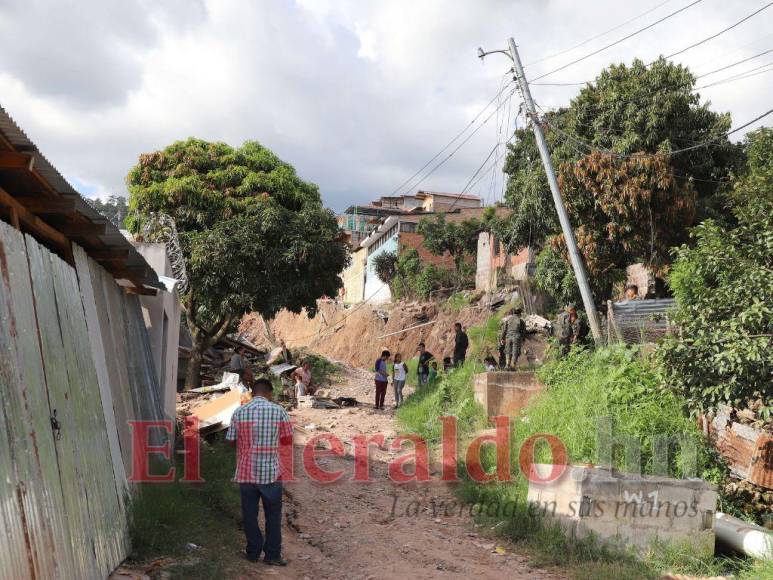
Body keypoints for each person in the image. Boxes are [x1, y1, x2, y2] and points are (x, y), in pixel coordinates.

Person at [226, 378, 292, 566]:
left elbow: (230, 440)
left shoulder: (239, 412)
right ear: (269, 393)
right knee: (273, 514)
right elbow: (287, 440)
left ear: (253, 393)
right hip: (271, 472)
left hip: (246, 472)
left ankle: (253, 553)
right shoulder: (279, 411)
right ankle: (272, 555)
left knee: (249, 514)